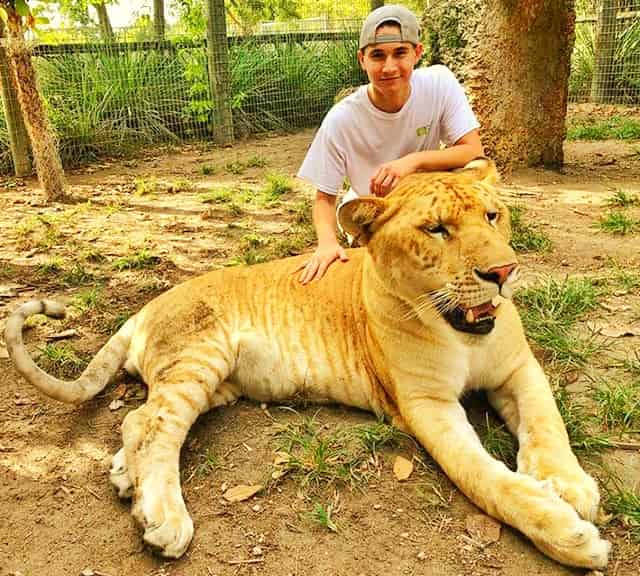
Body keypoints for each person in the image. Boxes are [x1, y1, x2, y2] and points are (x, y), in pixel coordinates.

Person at [296, 4, 484, 284]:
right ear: (362, 59)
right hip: (377, 211)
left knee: (474, 174)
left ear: (417, 53)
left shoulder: (440, 83)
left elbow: (473, 151)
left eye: (400, 53)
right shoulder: (342, 118)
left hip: (428, 205)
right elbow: (324, 198)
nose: (389, 67)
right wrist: (326, 244)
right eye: (377, 56)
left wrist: (412, 162)